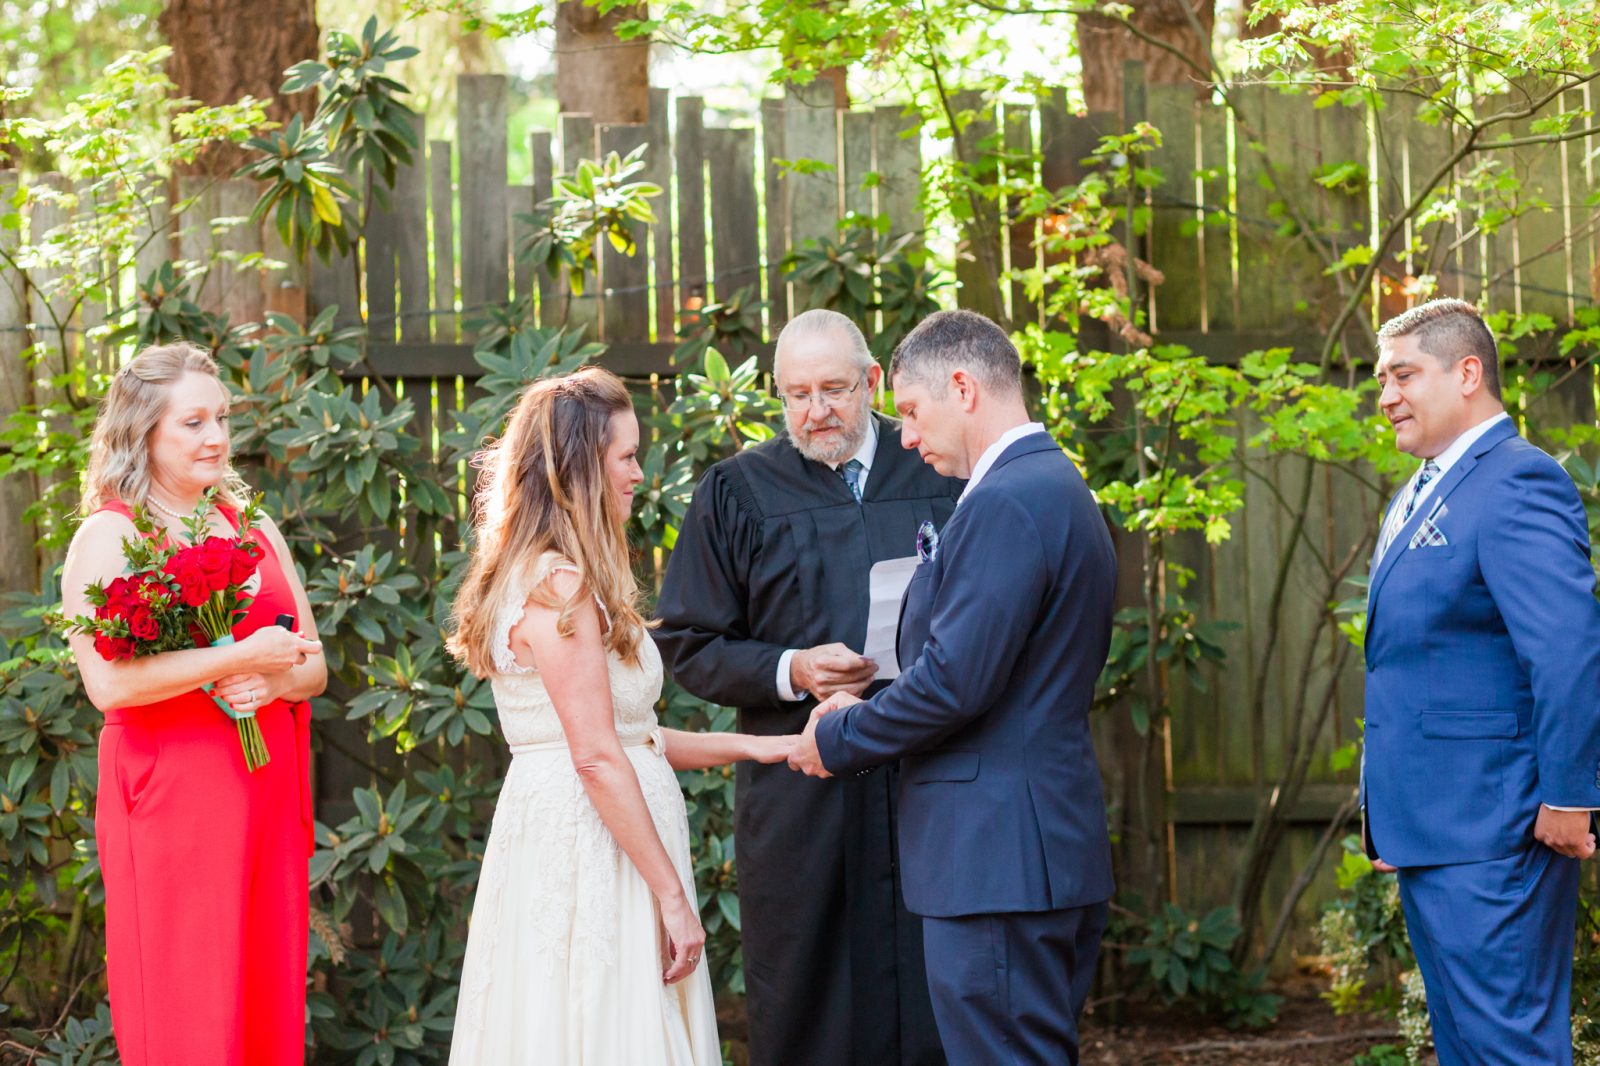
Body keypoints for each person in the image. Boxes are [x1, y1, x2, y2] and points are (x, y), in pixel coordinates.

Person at [790, 309, 1118, 1065]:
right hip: (1029, 844)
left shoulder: (1007, 499)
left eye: (909, 410)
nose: (903, 435)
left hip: (997, 856)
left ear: (963, 387)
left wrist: (838, 735)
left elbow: (952, 684)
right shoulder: (1050, 484)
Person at [444, 367, 795, 1066]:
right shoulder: (559, 588)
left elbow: (637, 739)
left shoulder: (553, 578)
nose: (639, 472)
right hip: (593, 852)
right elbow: (598, 757)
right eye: (627, 457)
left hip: (598, 832)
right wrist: (672, 897)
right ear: (580, 472)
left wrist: (767, 748)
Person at [655, 309, 958, 1065]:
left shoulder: (938, 469)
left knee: (937, 980)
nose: (816, 411)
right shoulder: (738, 491)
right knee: (807, 985)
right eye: (797, 394)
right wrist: (790, 668)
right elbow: (687, 644)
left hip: (926, 767)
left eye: (833, 389)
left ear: (874, 383)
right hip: (801, 783)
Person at [61, 342, 326, 1066]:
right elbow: (109, 684)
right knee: (188, 1000)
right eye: (193, 423)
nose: (216, 437)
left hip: (267, 790)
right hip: (173, 799)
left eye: (222, 419)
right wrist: (239, 657)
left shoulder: (253, 528)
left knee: (266, 994)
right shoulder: (110, 537)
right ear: (142, 431)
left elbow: (315, 665)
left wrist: (275, 681)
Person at [1359, 299, 1600, 1064]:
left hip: (1497, 831)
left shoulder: (1517, 482)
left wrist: (1570, 796)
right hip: (1435, 829)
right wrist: (1386, 810)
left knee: (1508, 1049)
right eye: (1380, 380)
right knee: (1468, 1050)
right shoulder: (1424, 489)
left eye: (1403, 375)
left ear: (1468, 374)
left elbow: (1566, 651)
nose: (1386, 395)